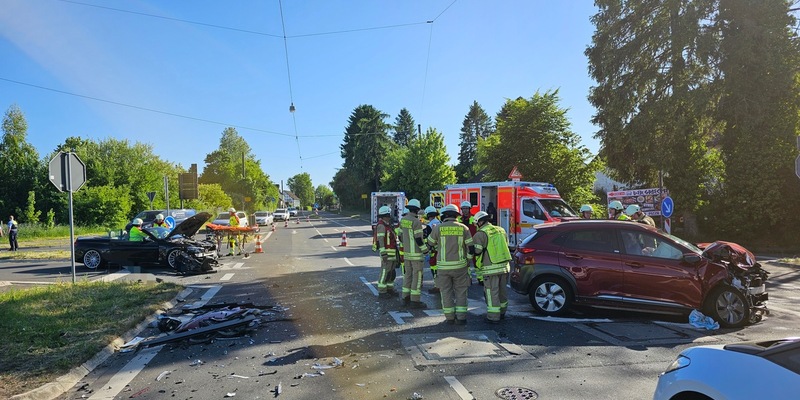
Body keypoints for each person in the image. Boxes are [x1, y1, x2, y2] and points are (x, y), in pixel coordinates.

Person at [427, 204, 475, 325]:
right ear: (456, 215)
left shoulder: (438, 228)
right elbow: (471, 248)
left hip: (443, 267)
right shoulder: (464, 228)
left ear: (444, 216)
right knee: (461, 292)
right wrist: (468, 260)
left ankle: (449, 318)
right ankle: (461, 317)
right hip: (460, 266)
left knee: (446, 292)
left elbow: (430, 243)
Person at [471, 211, 512, 323]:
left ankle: (493, 317)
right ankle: (502, 312)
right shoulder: (501, 230)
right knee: (502, 291)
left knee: (492, 292)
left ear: (479, 222)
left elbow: (477, 251)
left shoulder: (480, 234)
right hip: (505, 266)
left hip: (491, 268)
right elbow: (506, 244)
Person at [398, 199, 428, 309]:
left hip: (406, 254)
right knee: (417, 276)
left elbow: (400, 236)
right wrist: (425, 250)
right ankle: (415, 301)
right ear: (417, 209)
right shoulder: (416, 222)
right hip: (416, 255)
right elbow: (419, 239)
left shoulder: (403, 220)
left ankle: (405, 297)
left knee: (407, 275)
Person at [374, 206, 399, 298]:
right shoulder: (381, 226)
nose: (389, 217)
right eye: (388, 215)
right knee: (385, 272)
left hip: (392, 253)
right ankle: (382, 291)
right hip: (387, 254)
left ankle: (389, 289)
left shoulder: (387, 225)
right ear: (385, 215)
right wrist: (383, 253)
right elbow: (380, 240)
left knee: (391, 273)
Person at [422, 206, 441, 294]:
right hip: (442, 250)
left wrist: (426, 251)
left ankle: (437, 286)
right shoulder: (440, 223)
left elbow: (429, 240)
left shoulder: (430, 226)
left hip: (434, 250)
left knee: (434, 268)